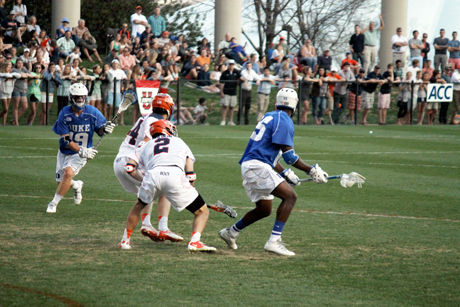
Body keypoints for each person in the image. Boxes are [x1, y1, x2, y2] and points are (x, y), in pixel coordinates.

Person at [218, 88, 329, 256]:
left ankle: (231, 232)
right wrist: (311, 170)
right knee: (290, 196)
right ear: (294, 104)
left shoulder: (270, 116)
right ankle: (274, 241)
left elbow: (272, 153)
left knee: (264, 209)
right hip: (257, 167)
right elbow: (289, 156)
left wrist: (285, 173)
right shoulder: (284, 120)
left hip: (252, 166)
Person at [119, 119, 217, 252]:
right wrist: (189, 188)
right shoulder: (179, 142)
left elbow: (129, 168)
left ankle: (125, 241)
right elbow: (190, 175)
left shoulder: (145, 145)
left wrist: (144, 181)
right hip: (175, 175)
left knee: (138, 206)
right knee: (202, 211)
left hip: (153, 175)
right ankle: (195, 242)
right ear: (167, 129)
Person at [115, 93, 184, 246]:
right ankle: (162, 227)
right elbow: (145, 141)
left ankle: (145, 226)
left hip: (120, 160)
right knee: (165, 185)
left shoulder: (145, 117)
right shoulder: (155, 121)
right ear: (169, 108)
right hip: (132, 162)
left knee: (148, 190)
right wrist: (134, 161)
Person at [46, 83, 115, 213]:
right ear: (71, 97)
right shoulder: (64, 113)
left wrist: (105, 128)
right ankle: (77, 185)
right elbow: (65, 139)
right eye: (77, 97)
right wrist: (80, 150)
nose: (80, 100)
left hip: (84, 152)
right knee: (62, 182)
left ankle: (53, 203)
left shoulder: (92, 112)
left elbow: (100, 131)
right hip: (67, 150)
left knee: (68, 174)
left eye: (82, 97)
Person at [10, 59, 32, 125]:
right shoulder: (14, 70)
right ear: (16, 64)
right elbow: (21, 75)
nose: (20, 64)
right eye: (19, 63)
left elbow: (30, 74)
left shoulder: (23, 69)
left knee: (25, 106)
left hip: (22, 90)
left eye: (21, 63)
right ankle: (16, 122)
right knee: (15, 106)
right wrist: (26, 75)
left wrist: (26, 74)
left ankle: (14, 119)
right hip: (15, 89)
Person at [219, 59, 241, 126]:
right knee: (225, 106)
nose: (231, 66)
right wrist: (221, 92)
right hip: (226, 91)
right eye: (230, 65)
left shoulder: (236, 72)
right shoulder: (225, 73)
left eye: (232, 65)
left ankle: (230, 121)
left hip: (233, 92)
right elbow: (221, 83)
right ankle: (223, 120)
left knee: (232, 107)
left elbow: (240, 78)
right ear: (228, 65)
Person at [107, 59, 127, 125]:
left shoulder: (121, 72)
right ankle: (109, 119)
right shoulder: (109, 71)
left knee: (117, 106)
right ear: (112, 64)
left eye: (116, 64)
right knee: (110, 105)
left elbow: (125, 78)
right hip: (110, 90)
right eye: (114, 63)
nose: (115, 65)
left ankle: (116, 120)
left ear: (118, 65)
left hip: (118, 91)